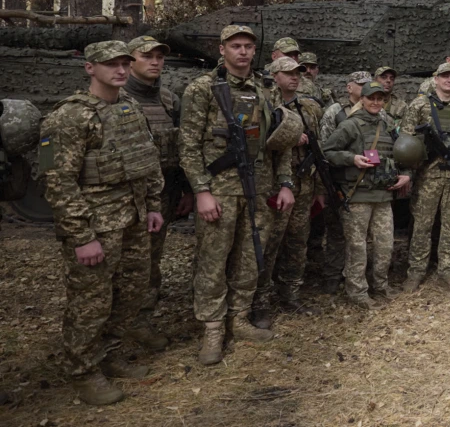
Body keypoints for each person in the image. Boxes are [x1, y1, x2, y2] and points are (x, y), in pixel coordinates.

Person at [39, 40, 165, 405]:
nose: (121, 70)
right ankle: (83, 371)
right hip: (97, 227)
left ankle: (109, 354)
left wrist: (154, 206)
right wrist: (81, 236)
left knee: (130, 292)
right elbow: (57, 181)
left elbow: (147, 161)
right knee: (90, 302)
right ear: (90, 68)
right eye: (111, 64)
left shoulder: (129, 107)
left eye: (125, 63)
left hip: (134, 219)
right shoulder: (69, 117)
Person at [179, 25, 295, 365]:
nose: (242, 52)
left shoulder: (264, 89)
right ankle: (213, 329)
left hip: (257, 189)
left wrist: (285, 182)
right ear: (223, 49)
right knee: (213, 261)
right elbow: (187, 146)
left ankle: (239, 319)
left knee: (249, 257)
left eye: (247, 46)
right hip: (219, 190)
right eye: (235, 46)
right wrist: (201, 190)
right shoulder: (203, 89)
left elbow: (280, 142)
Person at [123, 36, 191, 335]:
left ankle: (140, 321)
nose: (155, 62)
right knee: (123, 265)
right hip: (125, 197)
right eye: (146, 56)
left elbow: (182, 147)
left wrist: (186, 190)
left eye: (159, 57)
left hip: (162, 194)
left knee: (151, 260)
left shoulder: (168, 100)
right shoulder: (118, 98)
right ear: (130, 60)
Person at [323, 81, 411, 308]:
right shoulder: (350, 126)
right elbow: (328, 151)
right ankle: (357, 292)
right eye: (371, 98)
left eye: (380, 99)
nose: (376, 102)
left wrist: (406, 174)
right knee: (357, 247)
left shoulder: (388, 125)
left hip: (383, 196)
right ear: (362, 99)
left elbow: (401, 153)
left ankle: (381, 286)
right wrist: (351, 159)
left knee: (385, 245)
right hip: (358, 196)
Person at [252, 57, 324, 328]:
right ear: (274, 75)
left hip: (304, 185)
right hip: (275, 187)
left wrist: (318, 190)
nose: (295, 77)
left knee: (297, 242)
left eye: (298, 73)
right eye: (288, 73)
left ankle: (290, 294)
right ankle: (260, 302)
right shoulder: (266, 105)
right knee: (269, 245)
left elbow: (318, 151)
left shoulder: (309, 107)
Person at [401, 63, 450, 292]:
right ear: (436, 79)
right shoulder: (420, 105)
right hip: (428, 176)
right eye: (445, 76)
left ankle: (447, 270)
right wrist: (407, 173)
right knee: (423, 225)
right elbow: (405, 141)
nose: (449, 80)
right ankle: (416, 272)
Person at [308, 71, 369, 292]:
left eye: (368, 85)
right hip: (338, 180)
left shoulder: (373, 111)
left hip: (363, 183)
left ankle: (356, 275)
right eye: (360, 85)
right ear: (349, 87)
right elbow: (325, 148)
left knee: (361, 234)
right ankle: (333, 275)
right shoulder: (335, 111)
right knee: (336, 231)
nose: (365, 89)